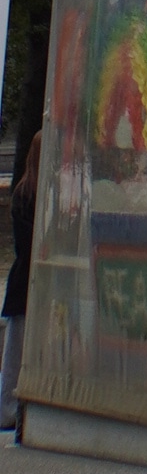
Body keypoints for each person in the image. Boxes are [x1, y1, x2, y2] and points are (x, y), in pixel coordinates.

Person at [1, 131, 39, 436]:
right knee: (17, 350)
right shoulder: (27, 195)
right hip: (27, 282)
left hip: (26, 281)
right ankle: (8, 409)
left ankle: (11, 409)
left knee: (18, 350)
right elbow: (27, 244)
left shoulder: (26, 193)